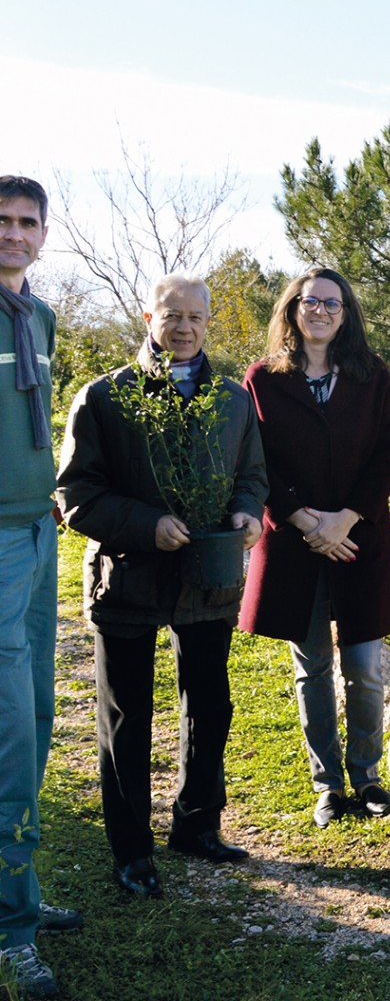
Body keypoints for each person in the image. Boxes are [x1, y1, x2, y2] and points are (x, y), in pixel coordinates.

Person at [57, 274, 267, 900]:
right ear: (148, 316)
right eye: (171, 316)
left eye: (196, 318)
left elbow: (251, 474)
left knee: (211, 706)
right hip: (129, 578)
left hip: (208, 579)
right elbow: (75, 496)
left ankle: (197, 826)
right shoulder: (104, 398)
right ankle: (132, 853)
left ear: (209, 323)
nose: (184, 328)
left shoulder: (232, 400)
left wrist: (247, 513)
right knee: (127, 717)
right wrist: (149, 525)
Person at [240, 269, 390, 828]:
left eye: (332, 303)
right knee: (313, 670)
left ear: (346, 313)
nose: (321, 310)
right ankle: (327, 785)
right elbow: (256, 458)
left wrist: (346, 519)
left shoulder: (371, 375)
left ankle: (368, 777)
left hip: (359, 538)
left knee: (364, 665)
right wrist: (307, 521)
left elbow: (388, 453)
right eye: (309, 301)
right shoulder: (263, 379)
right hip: (294, 541)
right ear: (291, 310)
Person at [0, 176, 73, 999]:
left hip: (38, 531)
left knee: (41, 714)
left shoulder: (41, 317)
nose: (14, 234)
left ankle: (17, 889)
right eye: (2, 223)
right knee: (9, 736)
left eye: (27, 223)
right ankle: (12, 936)